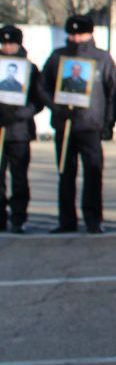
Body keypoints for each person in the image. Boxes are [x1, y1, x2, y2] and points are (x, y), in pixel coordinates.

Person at [42, 14, 116, 234]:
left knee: (93, 174)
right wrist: (56, 107)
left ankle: (93, 219)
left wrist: (108, 122)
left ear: (89, 34)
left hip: (91, 125)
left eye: (81, 34)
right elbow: (43, 87)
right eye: (73, 34)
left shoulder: (102, 58)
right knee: (65, 174)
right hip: (65, 125)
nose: (76, 38)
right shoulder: (58, 57)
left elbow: (114, 90)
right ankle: (66, 220)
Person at [0, 25, 48, 234]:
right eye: (4, 43)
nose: (7, 47)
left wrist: (18, 114)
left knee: (19, 177)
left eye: (11, 43)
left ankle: (18, 218)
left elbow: (38, 101)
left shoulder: (30, 69)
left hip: (19, 131)